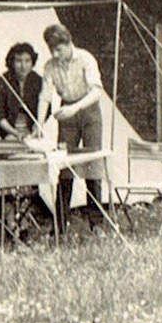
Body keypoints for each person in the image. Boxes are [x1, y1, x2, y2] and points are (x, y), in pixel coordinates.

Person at [38, 23, 105, 226]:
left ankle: (96, 222)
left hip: (89, 110)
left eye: (59, 49)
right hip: (67, 113)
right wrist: (39, 123)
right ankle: (60, 225)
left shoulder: (85, 58)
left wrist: (75, 108)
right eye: (52, 50)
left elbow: (96, 92)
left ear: (68, 43)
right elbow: (45, 97)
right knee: (64, 165)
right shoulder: (49, 66)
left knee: (92, 164)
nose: (56, 54)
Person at [0, 42, 44, 141]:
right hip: (7, 132)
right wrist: (16, 133)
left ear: (33, 62)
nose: (23, 66)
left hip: (31, 132)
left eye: (27, 60)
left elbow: (45, 110)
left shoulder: (38, 81)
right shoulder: (2, 82)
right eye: (18, 61)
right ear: (12, 63)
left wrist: (37, 127)